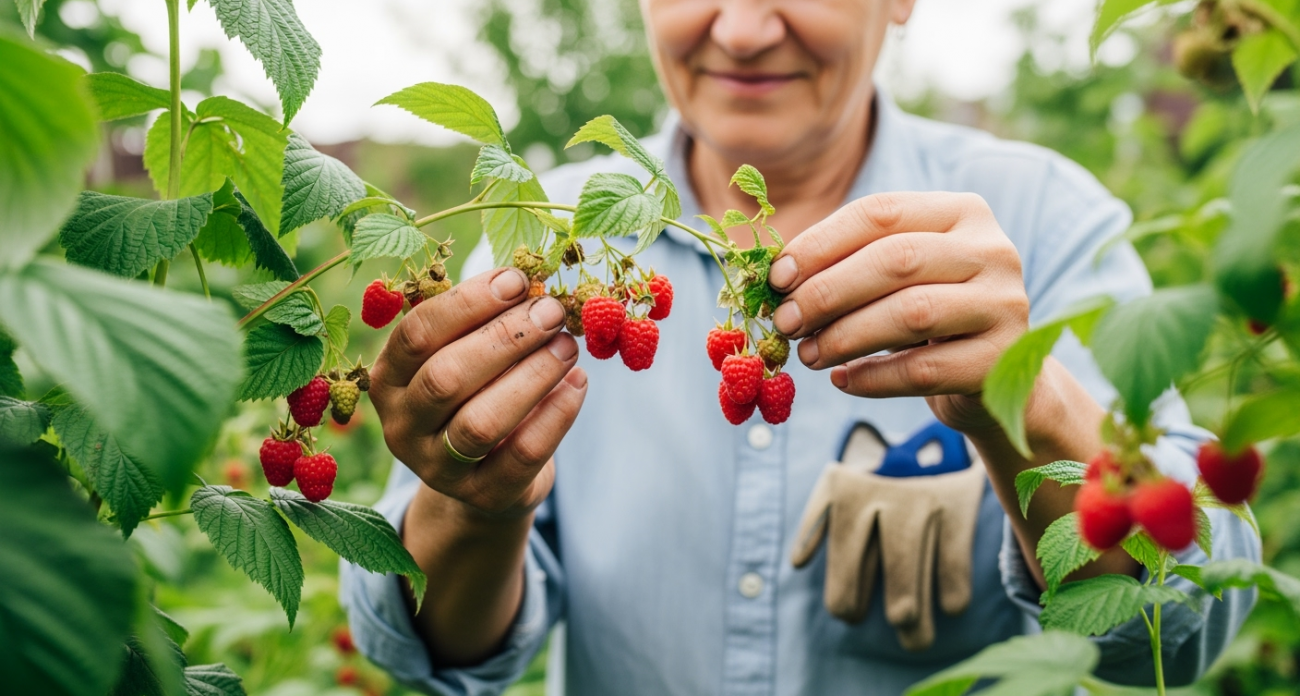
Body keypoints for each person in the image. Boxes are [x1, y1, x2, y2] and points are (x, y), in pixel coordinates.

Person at [340, 1, 1261, 694]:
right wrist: (473, 503)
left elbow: (1183, 624)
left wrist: (1029, 403)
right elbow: (423, 650)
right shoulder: (551, 241)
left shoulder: (1042, 222)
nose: (741, 29)